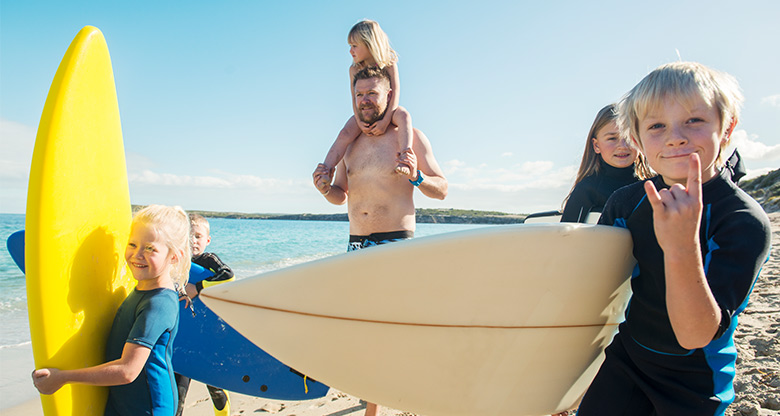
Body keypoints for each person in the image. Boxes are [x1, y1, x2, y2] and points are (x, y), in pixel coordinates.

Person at [576, 62, 772, 415]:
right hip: (628, 360)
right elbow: (594, 287)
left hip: (694, 380)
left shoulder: (742, 221)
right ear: (636, 140)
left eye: (694, 121)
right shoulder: (626, 203)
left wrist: (681, 245)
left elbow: (694, 336)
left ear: (726, 129)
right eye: (657, 126)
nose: (675, 137)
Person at [312, 65, 448, 416]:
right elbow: (341, 195)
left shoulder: (410, 136)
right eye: (359, 94)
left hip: (395, 242)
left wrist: (416, 176)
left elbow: (443, 189)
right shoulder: (351, 143)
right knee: (361, 326)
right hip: (356, 243)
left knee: (388, 327)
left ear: (389, 96)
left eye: (373, 93)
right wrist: (326, 188)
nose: (365, 101)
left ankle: (377, 404)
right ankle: (378, 389)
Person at [32, 204, 191, 416]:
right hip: (124, 400)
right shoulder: (142, 290)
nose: (137, 254)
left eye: (150, 248)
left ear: (174, 256)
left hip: (148, 408)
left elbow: (127, 371)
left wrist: (63, 377)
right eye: (132, 244)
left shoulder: (158, 303)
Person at [315, 19, 414, 191]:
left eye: (354, 46)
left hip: (389, 109)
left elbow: (395, 92)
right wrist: (359, 122)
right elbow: (354, 98)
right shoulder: (354, 69)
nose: (350, 50)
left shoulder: (389, 62)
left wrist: (386, 120)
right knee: (345, 132)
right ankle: (325, 169)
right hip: (365, 112)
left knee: (404, 115)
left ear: (369, 44)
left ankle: (405, 159)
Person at [175, 213, 235, 416]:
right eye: (189, 235)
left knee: (215, 386)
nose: (193, 240)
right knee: (178, 390)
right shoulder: (175, 261)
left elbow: (228, 276)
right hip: (183, 336)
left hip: (208, 333)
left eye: (198, 236)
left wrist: (197, 287)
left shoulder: (209, 260)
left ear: (207, 240)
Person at [560, 104, 653, 223]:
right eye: (612, 139)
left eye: (629, 138)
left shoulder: (653, 185)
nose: (622, 146)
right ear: (596, 145)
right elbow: (567, 237)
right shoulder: (587, 189)